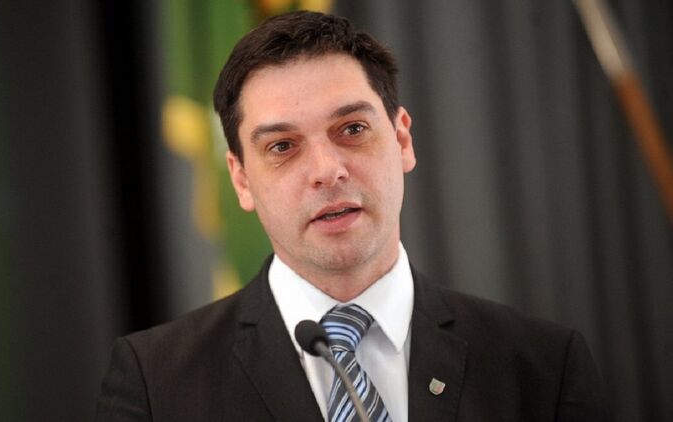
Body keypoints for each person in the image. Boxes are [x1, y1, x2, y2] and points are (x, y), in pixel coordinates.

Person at [96, 10, 608, 421]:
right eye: (282, 146)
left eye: (352, 130)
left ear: (402, 140)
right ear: (242, 179)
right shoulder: (156, 383)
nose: (327, 170)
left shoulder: (542, 367)